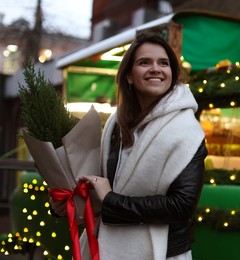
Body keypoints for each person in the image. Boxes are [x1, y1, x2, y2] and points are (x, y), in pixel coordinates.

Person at [50, 32, 207, 260]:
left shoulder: (187, 131)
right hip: (104, 244)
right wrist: (67, 203)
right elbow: (103, 185)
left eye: (163, 63)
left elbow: (181, 207)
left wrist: (113, 200)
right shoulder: (115, 124)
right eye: (145, 62)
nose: (156, 68)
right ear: (129, 76)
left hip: (163, 252)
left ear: (172, 75)